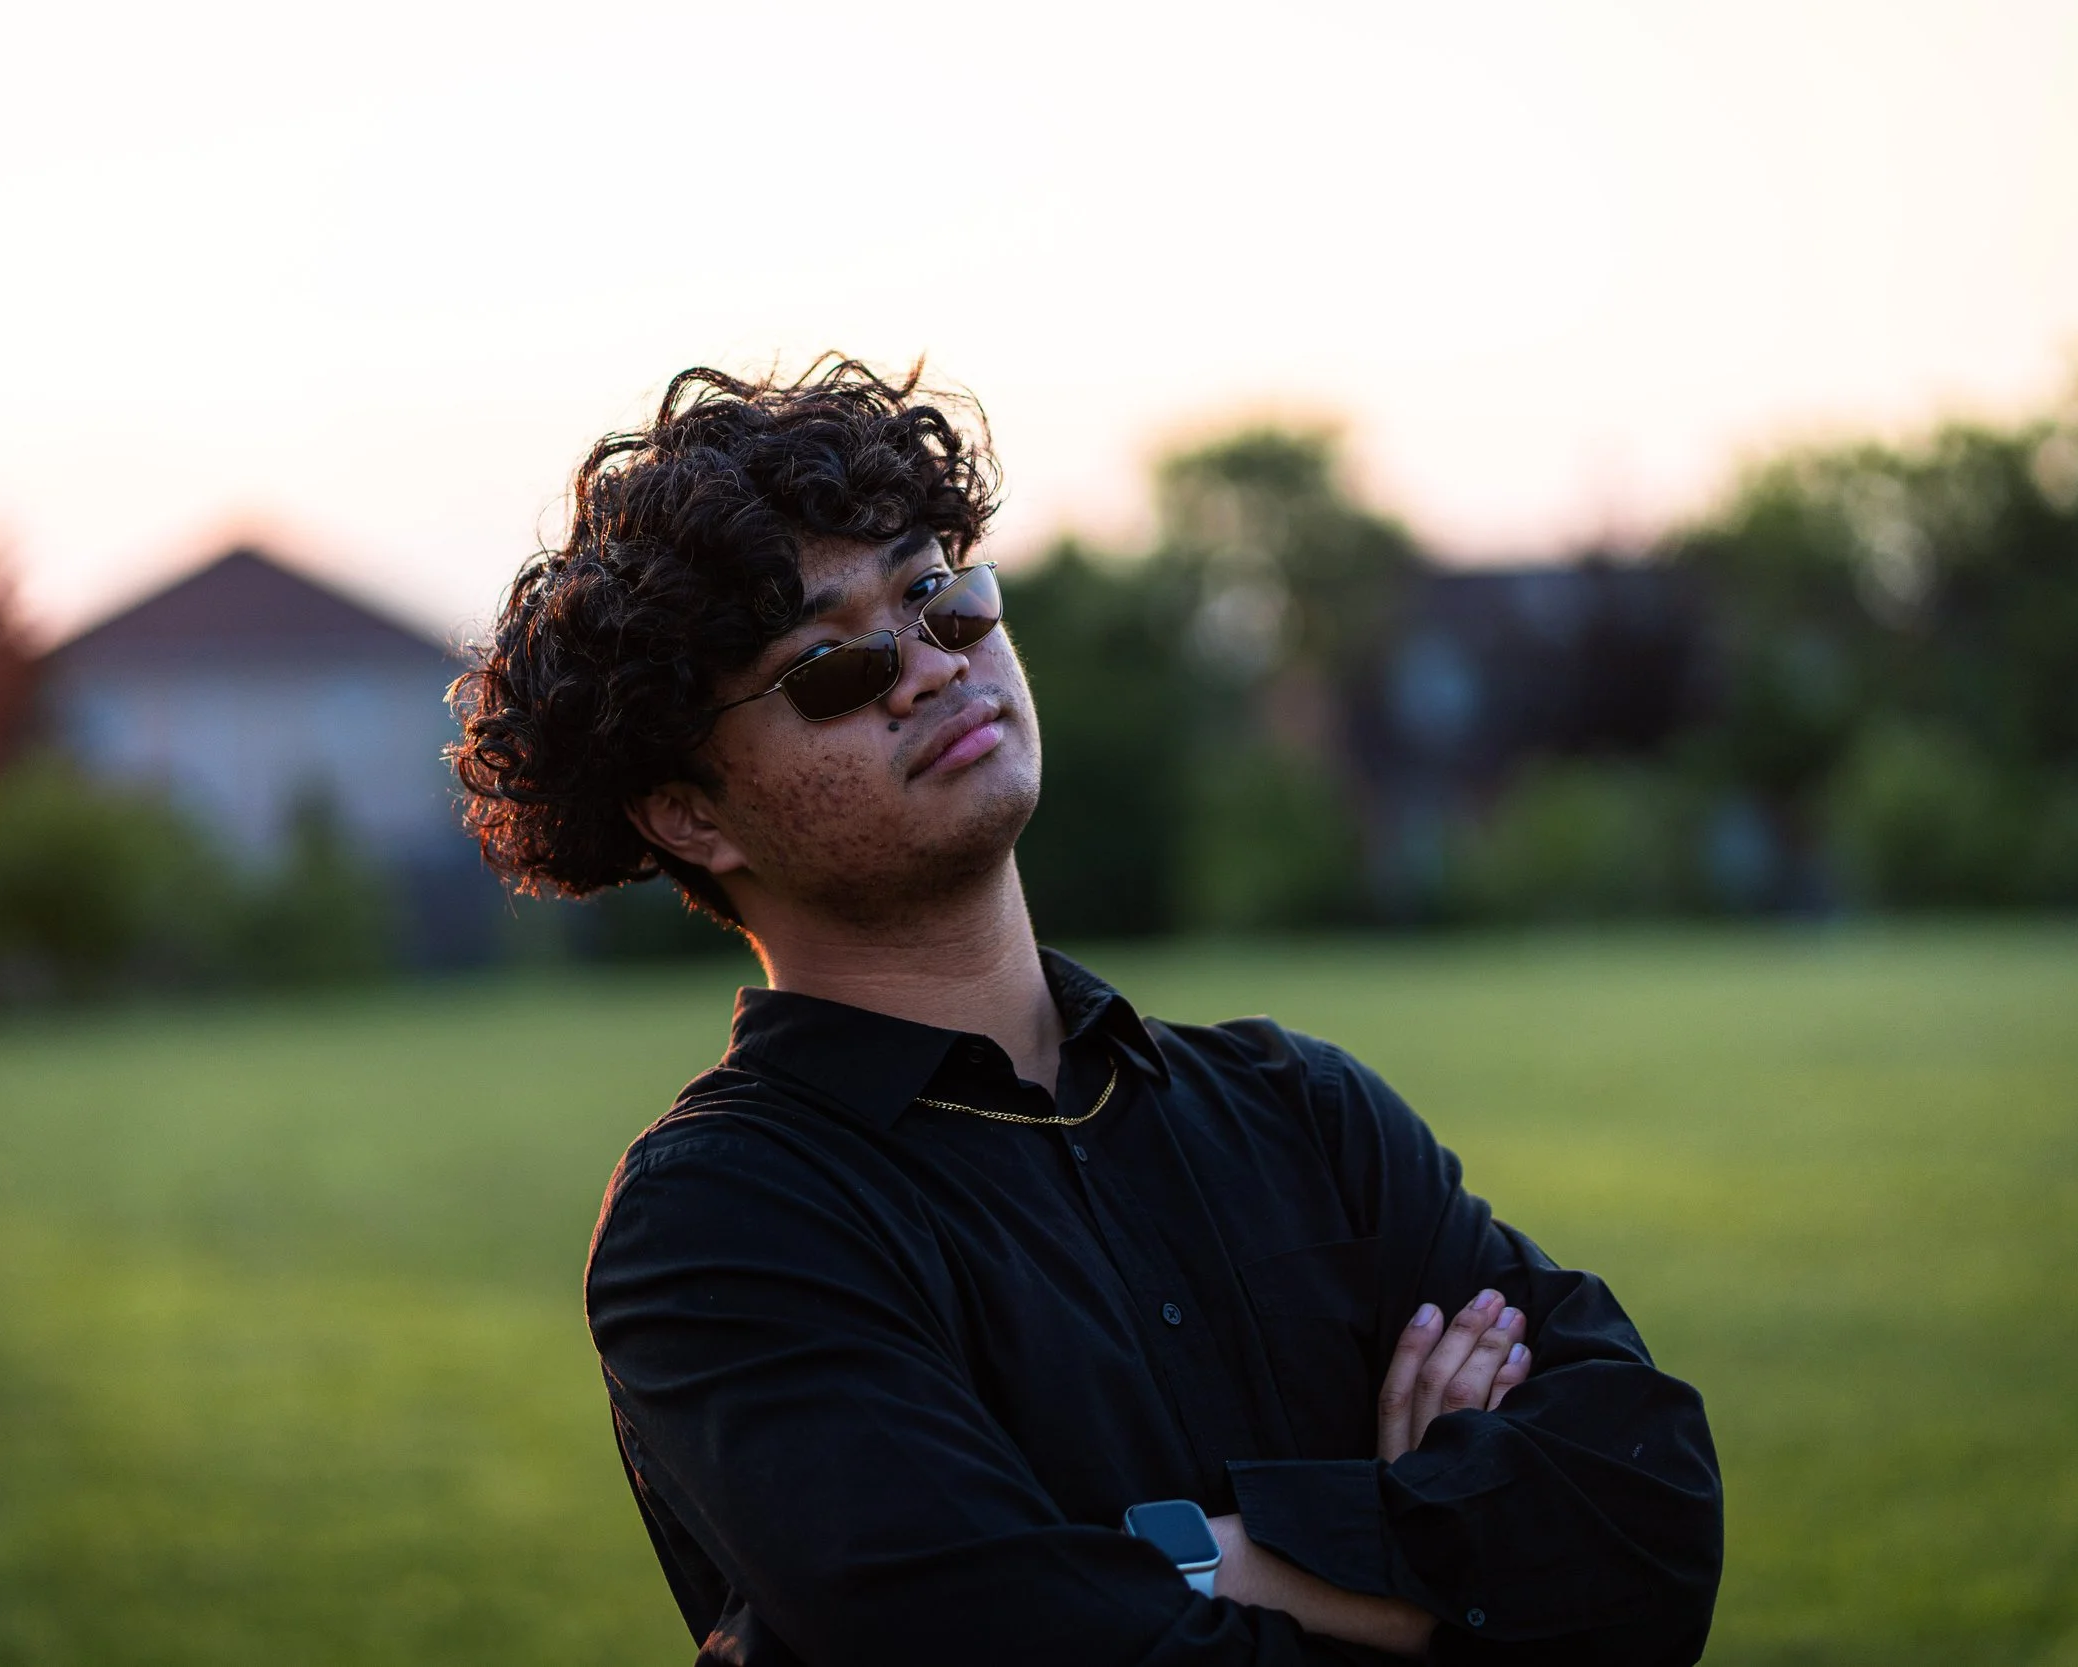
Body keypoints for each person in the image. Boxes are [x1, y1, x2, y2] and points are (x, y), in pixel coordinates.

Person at [447, 359, 1722, 1665]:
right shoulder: (724, 1218)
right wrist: (1431, 1560)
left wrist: (1207, 1558)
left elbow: (1653, 1513)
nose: (930, 667)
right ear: (688, 813)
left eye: (939, 595)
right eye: (828, 668)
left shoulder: (1301, 1110)